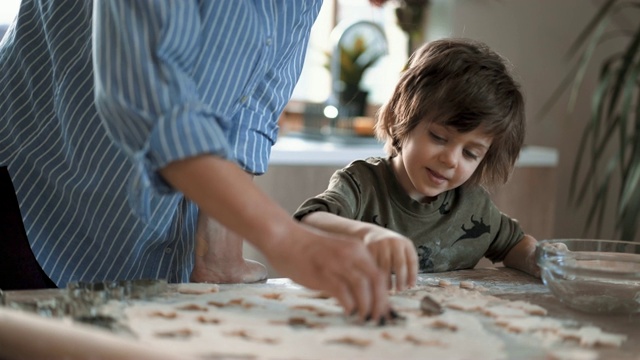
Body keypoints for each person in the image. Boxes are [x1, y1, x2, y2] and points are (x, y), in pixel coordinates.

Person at [0, 0, 394, 322]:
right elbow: (146, 95)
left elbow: (250, 111)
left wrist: (215, 255)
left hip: (135, 247)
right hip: (32, 192)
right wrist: (288, 242)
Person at [294, 38, 540, 280]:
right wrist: (367, 234)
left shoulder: (473, 205)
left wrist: (540, 259)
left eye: (470, 153)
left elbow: (516, 246)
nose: (451, 160)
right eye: (439, 137)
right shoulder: (361, 185)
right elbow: (307, 222)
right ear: (403, 119)